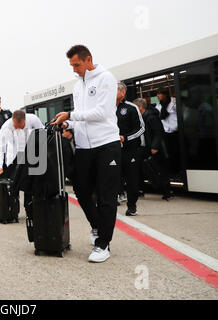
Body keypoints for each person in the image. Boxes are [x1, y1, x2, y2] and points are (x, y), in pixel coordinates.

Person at [52, 45, 120, 263]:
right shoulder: (77, 86)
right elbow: (82, 116)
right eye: (71, 65)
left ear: (88, 59)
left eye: (77, 65)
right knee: (81, 190)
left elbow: (102, 113)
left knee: (106, 196)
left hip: (106, 144)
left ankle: (103, 245)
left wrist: (71, 114)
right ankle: (98, 227)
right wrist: (68, 123)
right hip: (83, 147)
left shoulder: (106, 78)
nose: (74, 69)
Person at [116, 82, 145, 216]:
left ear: (123, 92)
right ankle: (115, 199)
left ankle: (132, 206)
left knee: (132, 179)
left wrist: (125, 138)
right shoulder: (107, 108)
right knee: (112, 177)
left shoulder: (131, 108)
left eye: (114, 90)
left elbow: (141, 128)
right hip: (113, 150)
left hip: (131, 150)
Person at [134, 98, 172, 200]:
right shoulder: (143, 117)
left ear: (140, 107)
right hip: (146, 147)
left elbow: (158, 132)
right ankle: (141, 189)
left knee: (159, 169)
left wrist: (154, 146)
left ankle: (166, 191)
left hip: (154, 148)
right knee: (144, 168)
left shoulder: (151, 117)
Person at [155, 88, 180, 175]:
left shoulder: (175, 102)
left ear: (165, 94)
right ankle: (172, 171)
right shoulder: (158, 105)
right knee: (168, 152)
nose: (158, 96)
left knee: (177, 152)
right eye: (157, 94)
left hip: (176, 131)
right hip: (166, 132)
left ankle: (179, 169)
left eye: (160, 94)